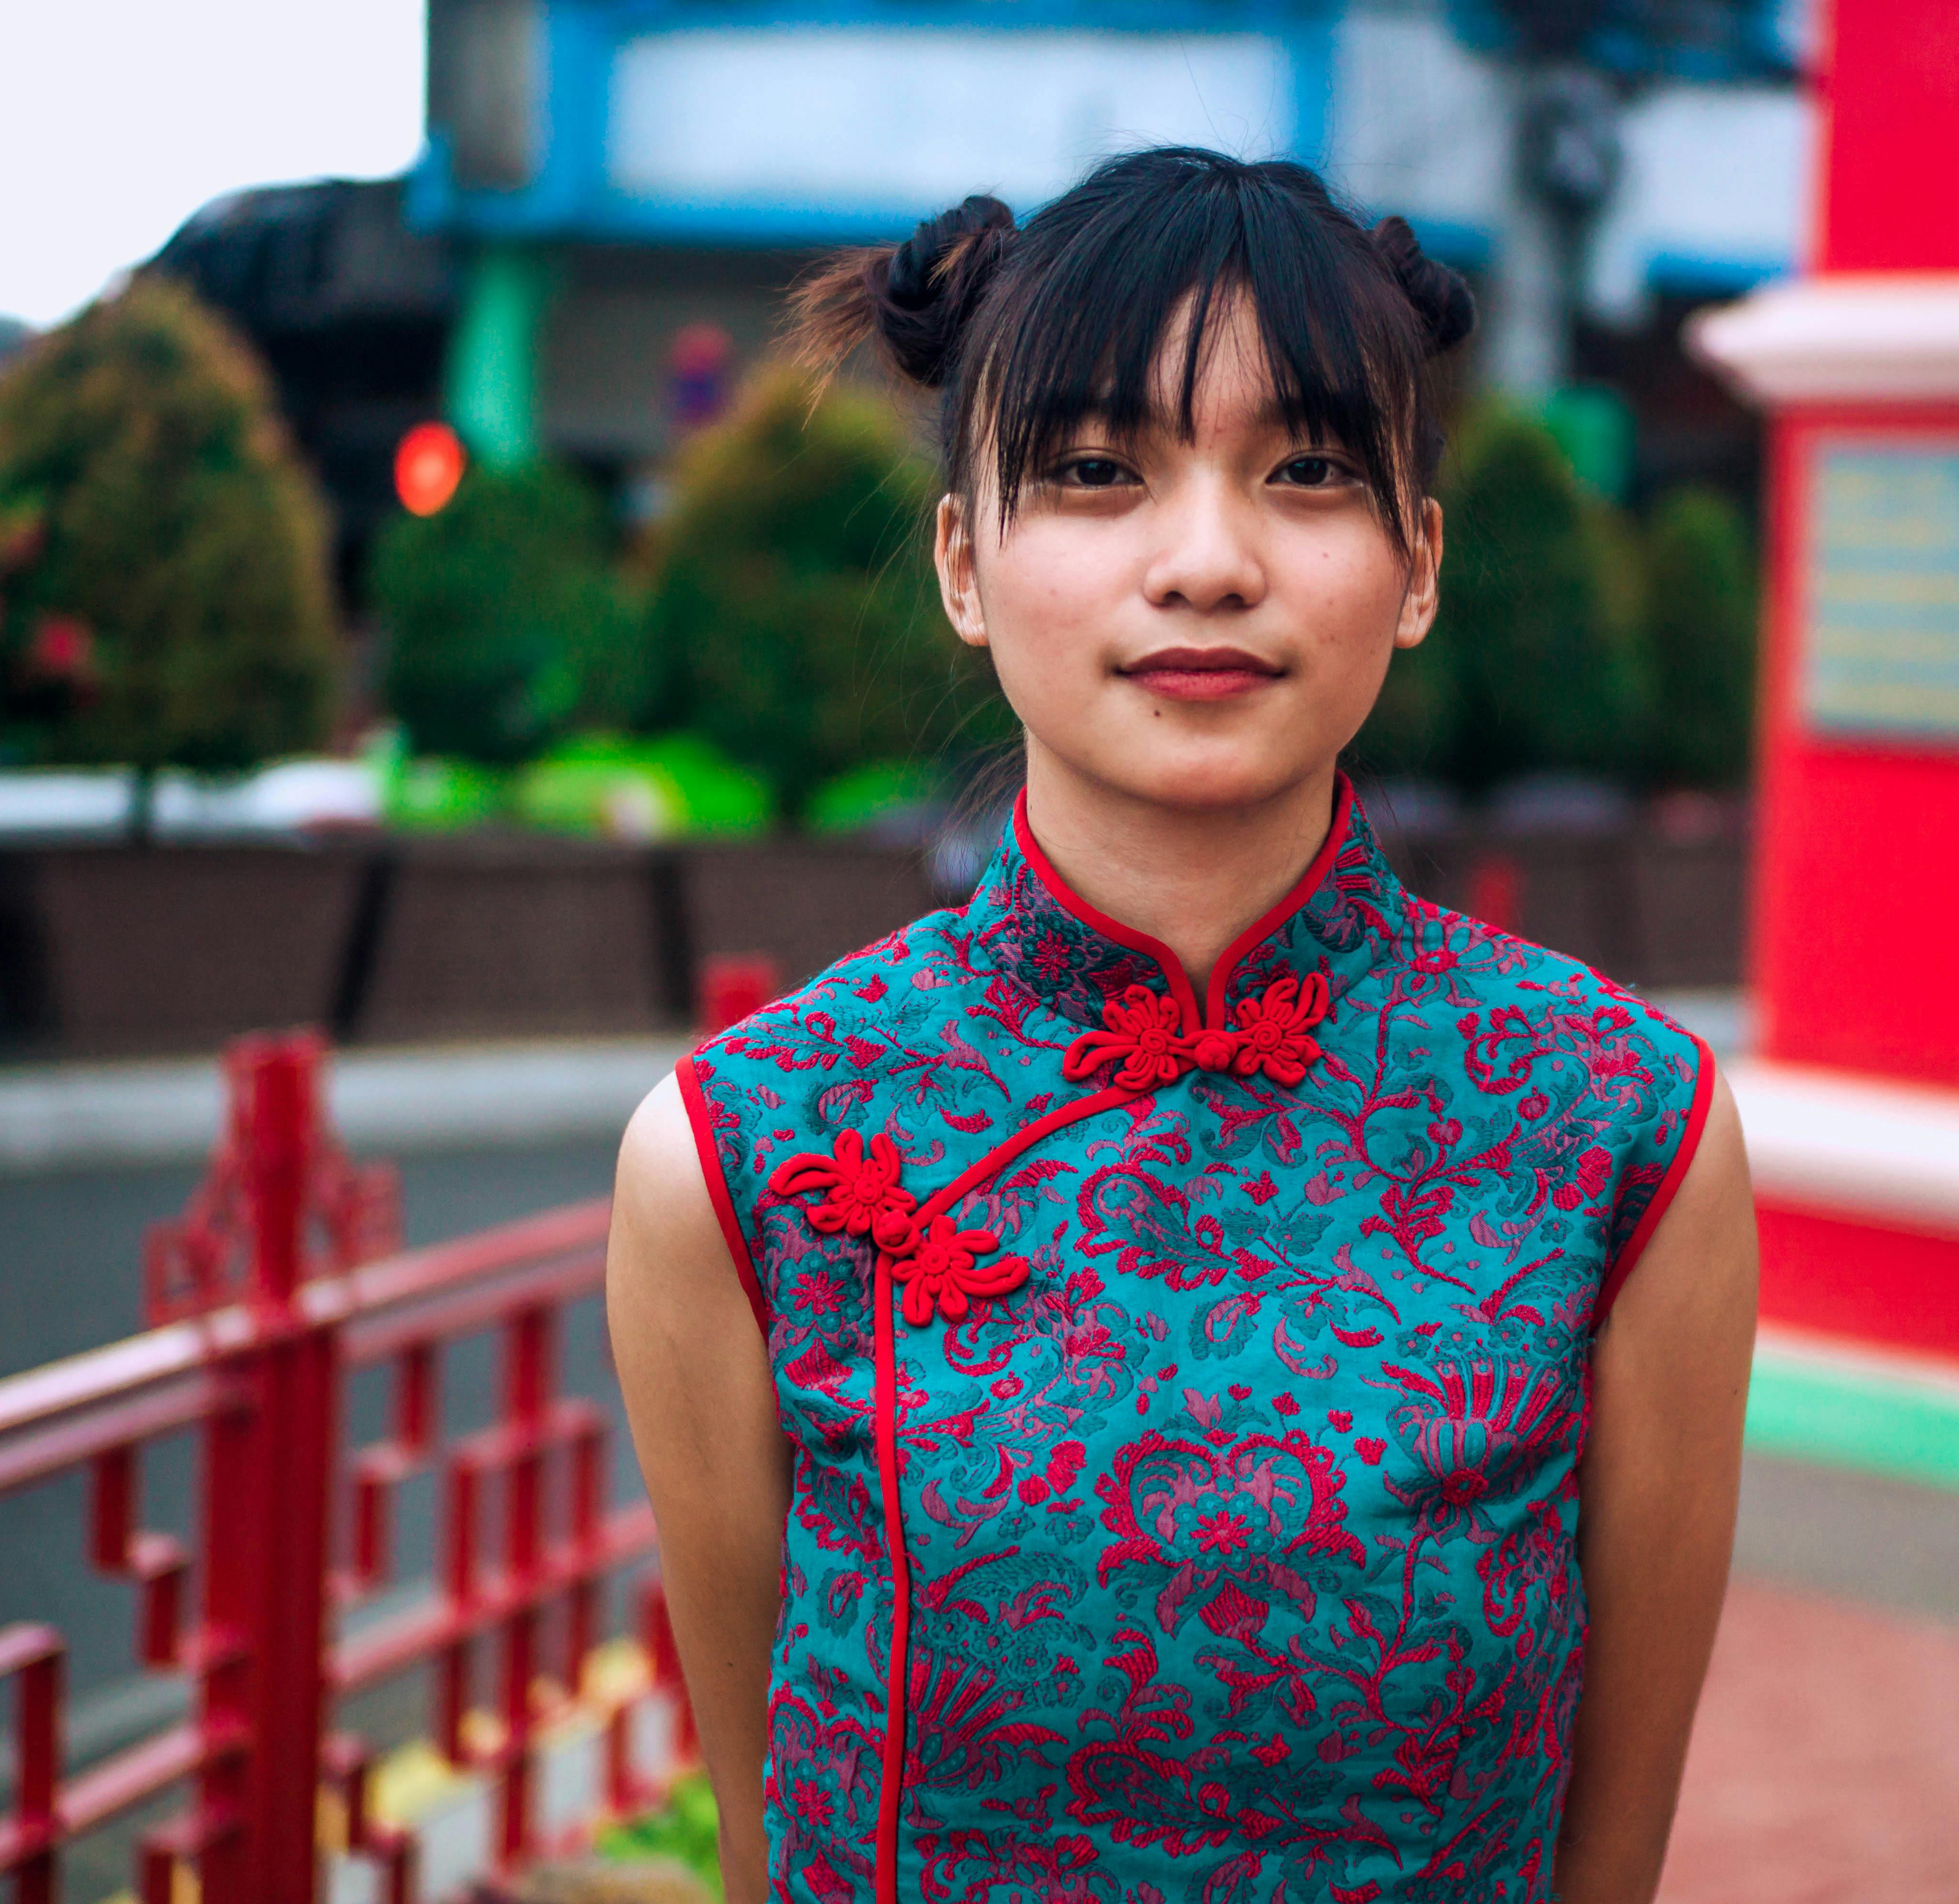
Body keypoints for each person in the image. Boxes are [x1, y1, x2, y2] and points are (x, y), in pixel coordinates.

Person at [608, 146, 1755, 1904]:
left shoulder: (1624, 1134)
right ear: (964, 565)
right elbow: (785, 1839)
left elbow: (1612, 1850)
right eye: (1093, 472)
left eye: (1306, 470)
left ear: (1419, 562)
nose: (1208, 561)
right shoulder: (740, 1155)